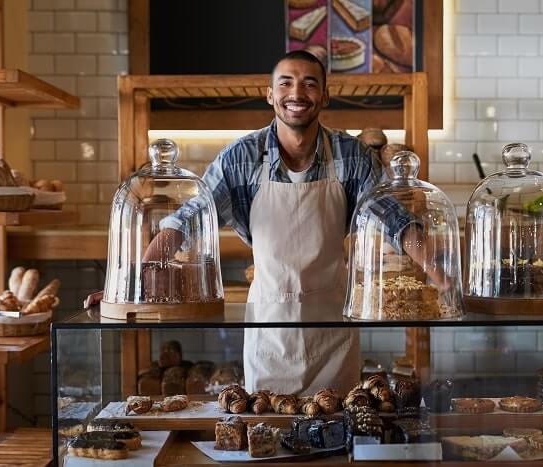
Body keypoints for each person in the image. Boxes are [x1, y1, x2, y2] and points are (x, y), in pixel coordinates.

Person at [144, 50, 428, 395]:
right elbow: (188, 220)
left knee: (337, 433)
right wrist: (136, 280)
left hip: (333, 334)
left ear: (324, 95)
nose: (297, 94)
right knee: (270, 435)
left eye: (310, 84)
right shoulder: (241, 159)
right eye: (286, 83)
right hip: (270, 332)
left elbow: (397, 221)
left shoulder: (353, 156)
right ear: (270, 94)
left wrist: (442, 277)